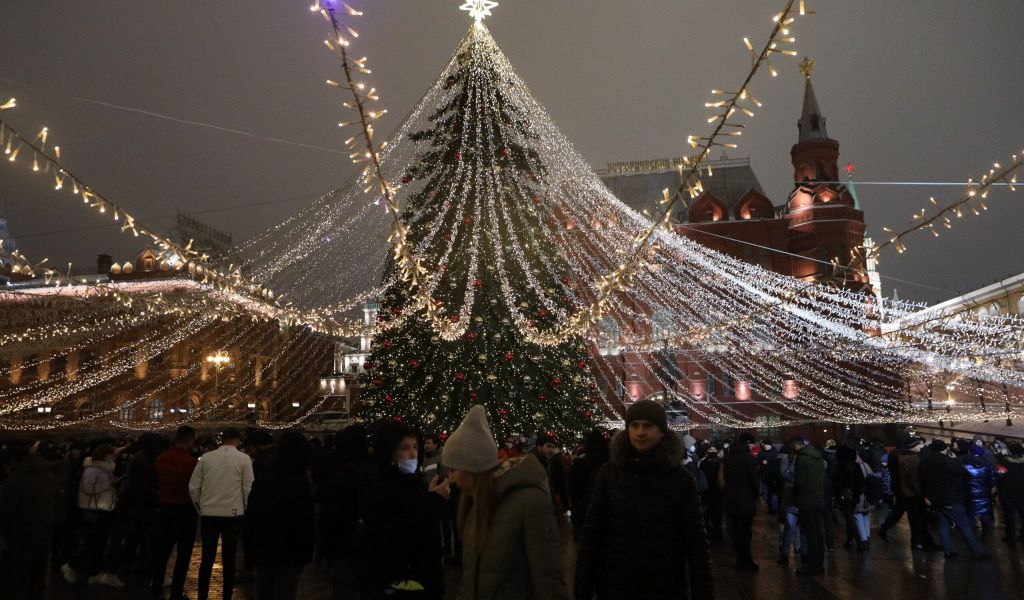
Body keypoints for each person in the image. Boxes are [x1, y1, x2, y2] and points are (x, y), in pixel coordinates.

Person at [575, 400, 712, 600]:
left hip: (664, 587)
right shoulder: (609, 474)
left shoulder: (680, 479)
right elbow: (592, 535)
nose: (640, 432)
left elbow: (696, 545)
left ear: (662, 431)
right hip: (615, 586)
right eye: (634, 425)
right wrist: (582, 588)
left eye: (648, 426)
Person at [444, 405, 567, 599]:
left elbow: (548, 580)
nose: (451, 479)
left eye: (454, 470)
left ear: (471, 467)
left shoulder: (530, 502)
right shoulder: (473, 505)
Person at [363, 422, 450, 600]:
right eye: (405, 448)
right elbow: (397, 535)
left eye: (415, 447)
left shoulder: (415, 482)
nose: (413, 454)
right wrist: (434, 500)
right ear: (390, 452)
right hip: (401, 583)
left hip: (425, 579)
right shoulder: (380, 489)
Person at [247, 432, 316, 600]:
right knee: (285, 592)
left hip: (263, 551)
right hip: (289, 555)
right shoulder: (300, 484)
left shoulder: (262, 481)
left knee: (264, 591)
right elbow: (305, 522)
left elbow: (251, 518)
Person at [189, 427, 255, 600]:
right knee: (229, 558)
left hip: (209, 513)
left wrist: (201, 507)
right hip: (233, 514)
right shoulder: (244, 459)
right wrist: (245, 508)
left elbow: (193, 487)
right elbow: (248, 488)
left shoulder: (207, 458)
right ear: (237, 440)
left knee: (207, 558)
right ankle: (226, 595)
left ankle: (202, 595)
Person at [318, 425, 376, 600]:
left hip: (342, 546)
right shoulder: (375, 470)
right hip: (370, 544)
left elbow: (329, 515)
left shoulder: (339, 475)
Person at [61, 443, 125, 588]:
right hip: (94, 510)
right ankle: (72, 566)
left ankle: (93, 573)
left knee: (98, 544)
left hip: (103, 508)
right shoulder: (93, 469)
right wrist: (110, 484)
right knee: (93, 543)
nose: (113, 457)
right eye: (111, 454)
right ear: (104, 455)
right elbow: (88, 488)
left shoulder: (104, 469)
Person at [0, 440, 57, 600]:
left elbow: (5, 510)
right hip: (43, 532)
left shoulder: (16, 480)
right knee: (35, 578)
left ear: (12, 462)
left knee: (15, 579)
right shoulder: (47, 475)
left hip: (19, 536)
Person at [152, 426, 199, 600]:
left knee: (162, 552)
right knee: (183, 555)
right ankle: (176, 593)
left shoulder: (161, 459)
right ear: (190, 440)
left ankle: (156, 589)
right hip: (185, 511)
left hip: (165, 509)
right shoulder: (192, 463)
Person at [920, 439, 986, 560]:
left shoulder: (925, 462)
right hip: (950, 498)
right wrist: (954, 459)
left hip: (936, 498)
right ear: (943, 449)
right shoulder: (947, 460)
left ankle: (949, 551)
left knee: (943, 524)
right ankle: (977, 552)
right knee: (964, 525)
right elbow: (960, 471)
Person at [723, 432, 759, 571]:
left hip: (732, 499)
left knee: (737, 531)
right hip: (746, 499)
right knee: (746, 531)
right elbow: (754, 480)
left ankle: (740, 559)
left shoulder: (728, 458)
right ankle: (747, 560)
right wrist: (755, 495)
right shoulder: (747, 458)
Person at [568, 428, 610, 542]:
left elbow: (573, 490)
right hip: (605, 516)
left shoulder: (579, 464)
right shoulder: (609, 466)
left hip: (583, 511)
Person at [793, 438, 825, 575]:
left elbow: (799, 481)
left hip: (806, 499)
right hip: (819, 497)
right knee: (818, 533)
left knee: (810, 534)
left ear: (795, 446)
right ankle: (820, 564)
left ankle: (812, 566)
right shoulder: (818, 457)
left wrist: (795, 493)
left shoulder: (801, 458)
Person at [775, 440, 801, 565]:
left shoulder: (805, 460)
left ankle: (799, 549)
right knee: (790, 527)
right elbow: (783, 473)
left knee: (795, 527)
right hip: (791, 496)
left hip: (799, 496)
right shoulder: (787, 460)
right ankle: (786, 553)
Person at [962, 444, 995, 537]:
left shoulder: (965, 465)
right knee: (985, 516)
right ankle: (986, 536)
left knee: (970, 516)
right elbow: (993, 479)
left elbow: (962, 480)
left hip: (970, 495)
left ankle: (970, 538)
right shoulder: (988, 465)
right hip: (985, 494)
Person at [996, 441, 1024, 543]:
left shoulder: (1003, 462)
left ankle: (1010, 536)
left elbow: (999, 475)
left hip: (1007, 493)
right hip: (1022, 493)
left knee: (1009, 515)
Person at [698, 446, 724, 540]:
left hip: (714, 491)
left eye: (714, 450)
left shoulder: (719, 462)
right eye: (710, 450)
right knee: (709, 512)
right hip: (708, 491)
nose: (712, 451)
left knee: (714, 512)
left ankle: (715, 531)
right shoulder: (704, 462)